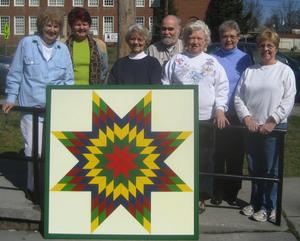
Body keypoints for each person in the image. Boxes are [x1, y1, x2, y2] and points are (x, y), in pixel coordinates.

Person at [2, 9, 74, 197]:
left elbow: (68, 80)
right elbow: (16, 73)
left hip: (55, 110)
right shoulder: (27, 44)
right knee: (34, 151)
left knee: (55, 152)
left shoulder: (63, 50)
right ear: (41, 26)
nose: (52, 29)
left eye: (56, 26)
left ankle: (52, 189)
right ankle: (33, 188)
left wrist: (69, 105)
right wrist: (11, 98)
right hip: (31, 110)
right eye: (48, 25)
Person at [161, 20, 229, 213]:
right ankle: (180, 194)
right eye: (192, 38)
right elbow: (165, 85)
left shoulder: (212, 62)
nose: (195, 41)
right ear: (185, 39)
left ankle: (201, 196)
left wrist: (220, 109)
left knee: (204, 159)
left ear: (205, 40)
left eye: (199, 38)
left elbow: (222, 88)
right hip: (180, 119)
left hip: (205, 119)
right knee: (179, 158)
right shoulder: (176, 60)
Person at [235, 28, 296, 222]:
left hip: (273, 129)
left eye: (270, 45)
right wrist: (247, 118)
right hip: (252, 128)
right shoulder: (250, 71)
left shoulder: (285, 71)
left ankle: (271, 206)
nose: (266, 49)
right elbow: (238, 98)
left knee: (271, 170)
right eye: (262, 45)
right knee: (254, 168)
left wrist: (272, 121)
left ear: (276, 48)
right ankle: (256, 202)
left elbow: (288, 100)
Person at [210, 20, 253, 206]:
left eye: (232, 36)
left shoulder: (245, 59)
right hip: (217, 113)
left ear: (238, 37)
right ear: (220, 37)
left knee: (235, 155)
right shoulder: (212, 57)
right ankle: (217, 191)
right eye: (225, 36)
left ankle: (232, 191)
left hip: (237, 114)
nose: (228, 39)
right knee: (217, 154)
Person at [66, 7, 109, 85]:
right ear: (72, 26)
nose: (81, 28)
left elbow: (104, 70)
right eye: (78, 25)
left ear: (89, 26)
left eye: (84, 24)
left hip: (92, 91)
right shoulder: (63, 45)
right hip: (69, 91)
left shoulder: (100, 45)